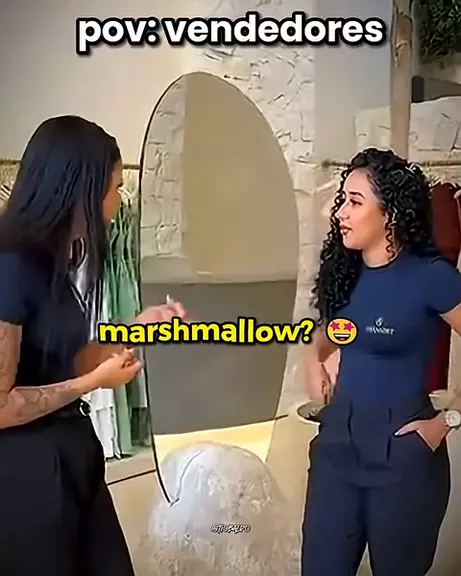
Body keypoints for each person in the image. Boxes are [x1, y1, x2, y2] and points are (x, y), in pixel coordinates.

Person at [0, 115, 186, 576]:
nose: (120, 200)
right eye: (115, 188)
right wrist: (92, 383)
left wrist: (135, 329)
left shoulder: (53, 261)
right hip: (28, 474)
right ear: (81, 189)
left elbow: (60, 358)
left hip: (70, 455)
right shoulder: (12, 267)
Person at [302, 148, 461, 576]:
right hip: (337, 445)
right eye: (343, 200)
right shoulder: (344, 272)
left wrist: (447, 421)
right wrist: (314, 358)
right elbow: (331, 333)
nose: (340, 213)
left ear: (390, 213)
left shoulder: (432, 276)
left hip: (403, 450)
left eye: (354, 202)